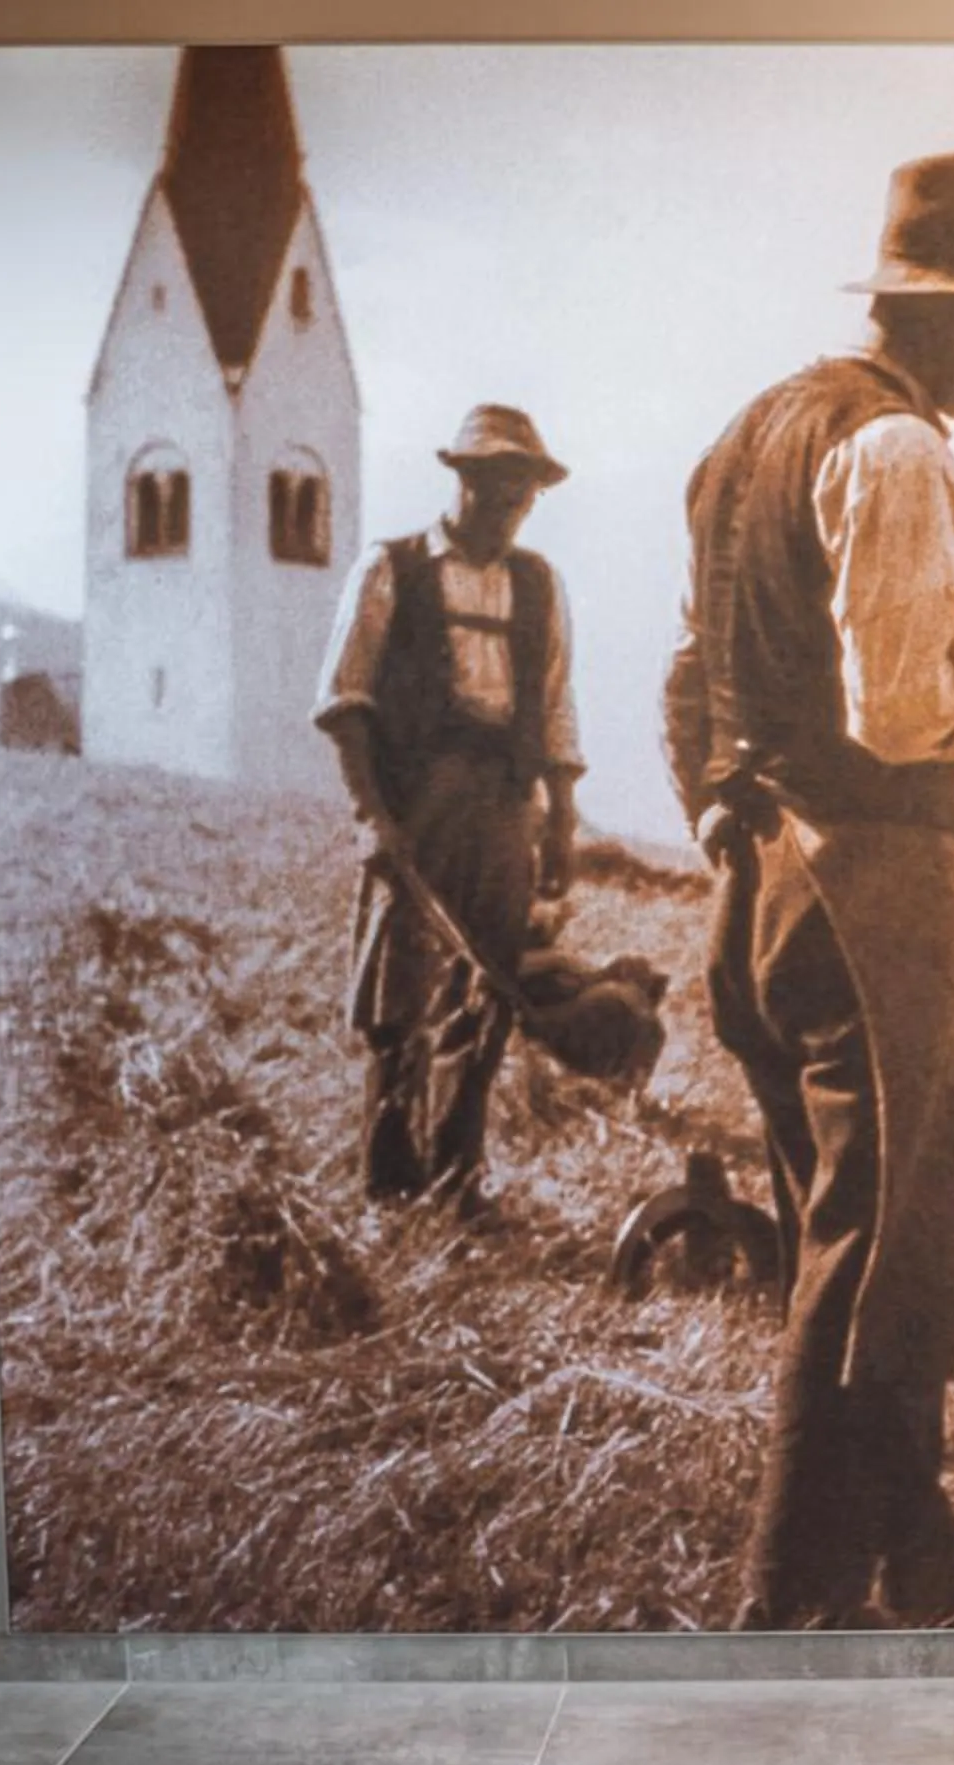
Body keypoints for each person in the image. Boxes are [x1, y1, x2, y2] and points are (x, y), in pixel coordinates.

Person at [663, 152, 954, 1628]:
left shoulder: (752, 433)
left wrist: (730, 824)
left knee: (852, 1228)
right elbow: (904, 715)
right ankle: (791, 1612)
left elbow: (693, 670)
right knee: (878, 1255)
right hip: (875, 890)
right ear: (948, 305)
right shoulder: (898, 450)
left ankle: (921, 1549)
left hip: (765, 890)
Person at [312, 405, 582, 1214]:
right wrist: (373, 818)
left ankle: (457, 1184)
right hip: (418, 800)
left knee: (490, 988)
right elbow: (345, 701)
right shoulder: (390, 569)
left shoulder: (539, 584)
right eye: (494, 490)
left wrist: (561, 819)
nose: (507, 509)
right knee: (400, 996)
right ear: (461, 483)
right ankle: (388, 1188)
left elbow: (559, 705)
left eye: (522, 495)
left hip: (505, 807)